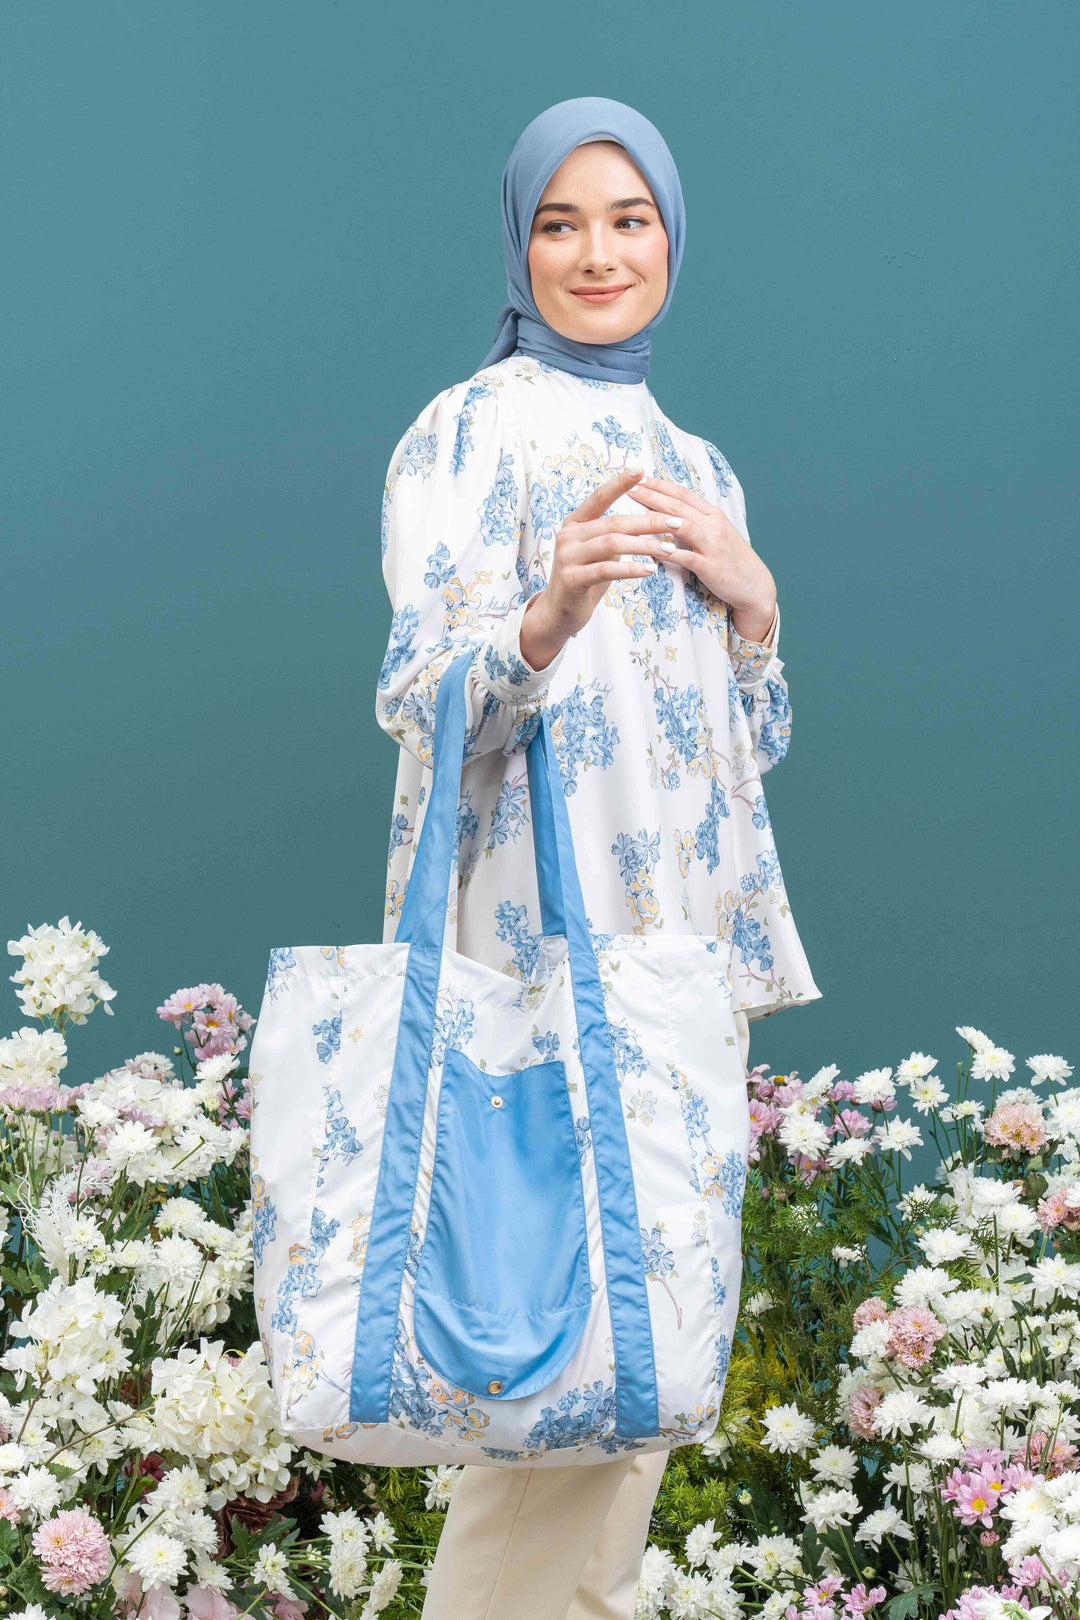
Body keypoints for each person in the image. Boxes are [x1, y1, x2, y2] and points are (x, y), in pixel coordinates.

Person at [374, 95, 822, 1620]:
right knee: (552, 1377)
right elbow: (418, 698)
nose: (598, 254)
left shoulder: (696, 463)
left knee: (641, 1385)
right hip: (539, 957)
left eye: (630, 220)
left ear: (673, 238)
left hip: (682, 963)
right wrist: (543, 617)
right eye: (560, 224)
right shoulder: (472, 429)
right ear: (520, 245)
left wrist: (753, 607)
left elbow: (732, 751)